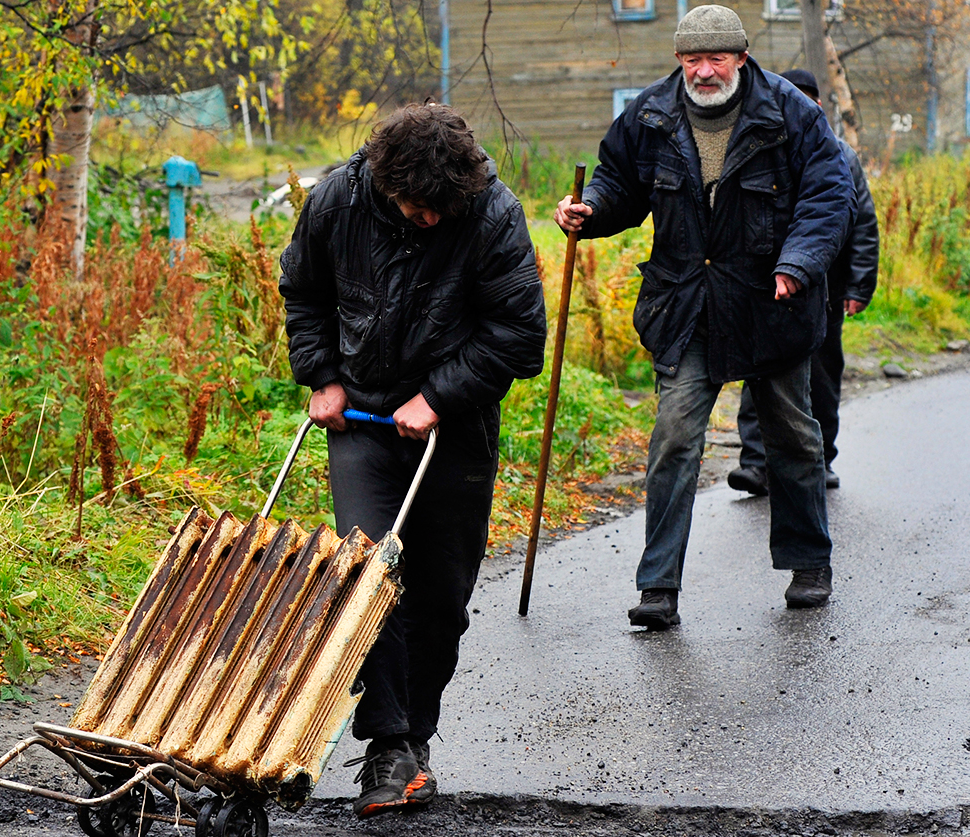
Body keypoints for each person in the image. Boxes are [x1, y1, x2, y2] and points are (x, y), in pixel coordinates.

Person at [280, 103, 546, 817]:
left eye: (441, 208)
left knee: (440, 596)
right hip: (362, 418)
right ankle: (388, 746)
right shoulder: (337, 199)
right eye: (414, 207)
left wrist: (438, 395)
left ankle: (417, 736)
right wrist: (323, 376)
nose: (429, 219)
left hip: (449, 430)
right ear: (382, 179)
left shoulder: (491, 214)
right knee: (368, 573)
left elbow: (520, 335)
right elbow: (303, 293)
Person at [554, 5, 853, 628]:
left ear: (741, 58)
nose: (705, 70)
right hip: (687, 303)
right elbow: (618, 184)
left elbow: (829, 193)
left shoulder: (791, 114)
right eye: (694, 59)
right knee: (674, 440)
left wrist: (796, 264)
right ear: (679, 61)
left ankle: (808, 563)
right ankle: (658, 586)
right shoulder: (649, 115)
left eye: (717, 58)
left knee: (793, 438)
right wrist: (591, 211)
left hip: (773, 302)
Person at [728, 68, 880, 496]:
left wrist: (857, 287)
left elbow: (863, 227)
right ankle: (756, 465)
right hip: (763, 287)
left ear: (817, 105)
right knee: (756, 374)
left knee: (821, 379)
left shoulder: (842, 157)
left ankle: (821, 461)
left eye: (808, 99)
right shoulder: (759, 145)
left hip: (823, 291)